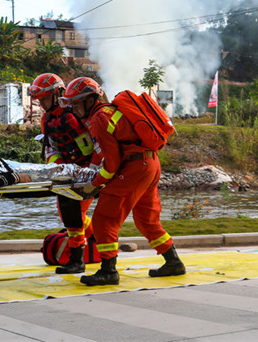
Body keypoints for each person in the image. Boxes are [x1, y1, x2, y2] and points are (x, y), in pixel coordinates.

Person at [60, 77, 185, 286]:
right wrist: (91, 172)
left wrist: (94, 183)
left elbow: (112, 162)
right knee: (147, 219)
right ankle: (173, 262)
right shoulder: (108, 112)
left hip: (134, 168)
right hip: (150, 163)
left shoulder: (99, 118)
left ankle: (108, 271)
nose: (73, 108)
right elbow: (103, 154)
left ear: (90, 100)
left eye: (76, 103)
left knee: (103, 219)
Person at [28, 73, 95, 274]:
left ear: (57, 94)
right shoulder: (47, 118)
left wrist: (91, 171)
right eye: (39, 99)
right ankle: (93, 237)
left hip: (88, 170)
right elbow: (50, 147)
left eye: (44, 98)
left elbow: (95, 141)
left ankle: (77, 258)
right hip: (67, 172)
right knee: (66, 212)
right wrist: (57, 168)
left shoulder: (76, 112)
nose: (41, 103)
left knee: (74, 215)